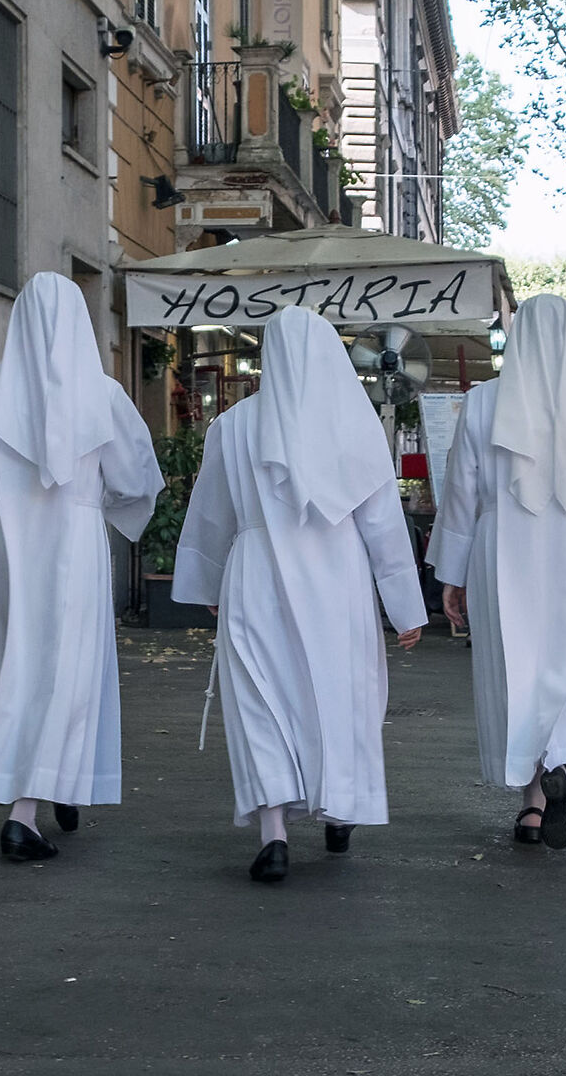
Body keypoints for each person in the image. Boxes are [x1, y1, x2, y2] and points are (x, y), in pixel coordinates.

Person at [172, 307, 427, 885]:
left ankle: (274, 832)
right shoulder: (355, 427)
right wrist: (405, 609)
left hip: (253, 572)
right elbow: (383, 527)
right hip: (336, 577)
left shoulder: (232, 427)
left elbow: (210, 513)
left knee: (261, 698)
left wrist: (209, 584)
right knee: (339, 693)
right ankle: (339, 806)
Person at [0, 273, 165, 862]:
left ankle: (53, 784)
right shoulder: (102, 396)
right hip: (75, 549)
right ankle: (25, 813)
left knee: (17, 669)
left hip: (13, 551)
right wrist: (98, 502)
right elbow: (135, 482)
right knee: (69, 673)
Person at [432, 294, 566, 850]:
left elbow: (462, 494)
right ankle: (565, 774)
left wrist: (452, 573)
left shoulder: (483, 403)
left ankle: (531, 803)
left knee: (515, 667)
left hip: (505, 548)